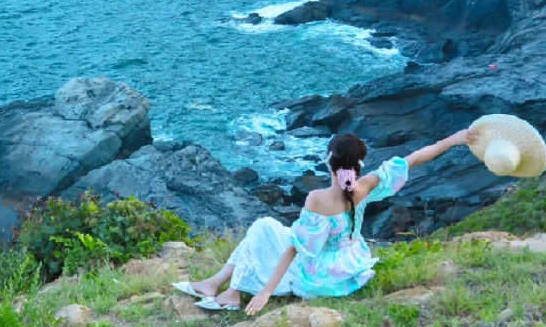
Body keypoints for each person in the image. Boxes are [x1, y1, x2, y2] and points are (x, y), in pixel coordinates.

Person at [177, 128, 471, 316]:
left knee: (262, 227)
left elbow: (296, 249)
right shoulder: (365, 186)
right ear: (359, 163)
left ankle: (230, 292)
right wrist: (454, 139)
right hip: (350, 263)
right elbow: (414, 158)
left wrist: (266, 292)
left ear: (329, 159)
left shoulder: (317, 199)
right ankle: (217, 286)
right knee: (266, 230)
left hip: (320, 275)